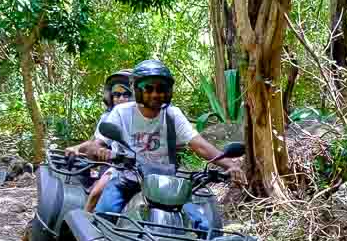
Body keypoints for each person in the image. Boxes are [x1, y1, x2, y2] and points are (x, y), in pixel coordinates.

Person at [72, 59, 233, 226]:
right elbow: (96, 145)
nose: (156, 94)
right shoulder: (121, 113)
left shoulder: (172, 114)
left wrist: (231, 165)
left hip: (165, 181)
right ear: (137, 90)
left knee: (202, 226)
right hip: (127, 178)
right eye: (148, 88)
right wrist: (100, 150)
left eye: (161, 88)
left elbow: (199, 145)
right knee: (103, 220)